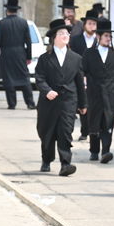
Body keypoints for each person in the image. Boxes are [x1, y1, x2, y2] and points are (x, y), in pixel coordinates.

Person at [35, 19, 87, 176]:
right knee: (47, 133)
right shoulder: (45, 58)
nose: (65, 35)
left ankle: (66, 163)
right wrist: (47, 90)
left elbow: (79, 83)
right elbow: (39, 78)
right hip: (49, 102)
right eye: (61, 33)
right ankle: (47, 159)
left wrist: (83, 104)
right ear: (54, 37)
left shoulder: (76, 58)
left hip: (68, 101)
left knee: (65, 132)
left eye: (67, 33)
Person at [82, 19, 114, 163]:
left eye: (110, 36)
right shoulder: (89, 53)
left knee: (107, 123)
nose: (108, 39)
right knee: (94, 122)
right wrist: (85, 85)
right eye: (106, 36)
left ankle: (106, 151)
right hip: (94, 93)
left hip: (110, 94)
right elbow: (82, 71)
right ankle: (94, 150)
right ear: (98, 37)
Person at [0, 0, 35, 110]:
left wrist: (3, 46)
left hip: (6, 53)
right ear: (17, 10)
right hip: (20, 53)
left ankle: (12, 104)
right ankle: (30, 103)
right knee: (24, 78)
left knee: (8, 78)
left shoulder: (2, 23)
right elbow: (28, 42)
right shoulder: (23, 23)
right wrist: (28, 56)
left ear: (7, 10)